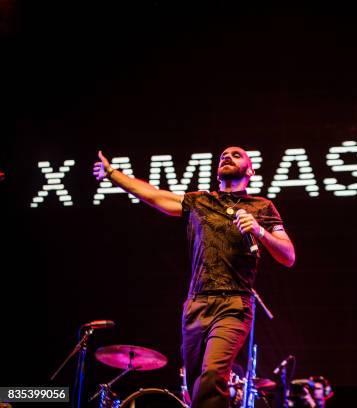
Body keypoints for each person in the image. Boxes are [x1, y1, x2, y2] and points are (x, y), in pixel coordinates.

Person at [93, 146, 295, 408]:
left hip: (233, 305)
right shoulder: (200, 201)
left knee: (213, 375)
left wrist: (260, 231)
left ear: (250, 170)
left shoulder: (261, 206)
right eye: (223, 155)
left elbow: (288, 255)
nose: (227, 157)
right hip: (196, 305)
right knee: (196, 384)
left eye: (236, 155)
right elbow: (154, 196)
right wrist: (112, 173)